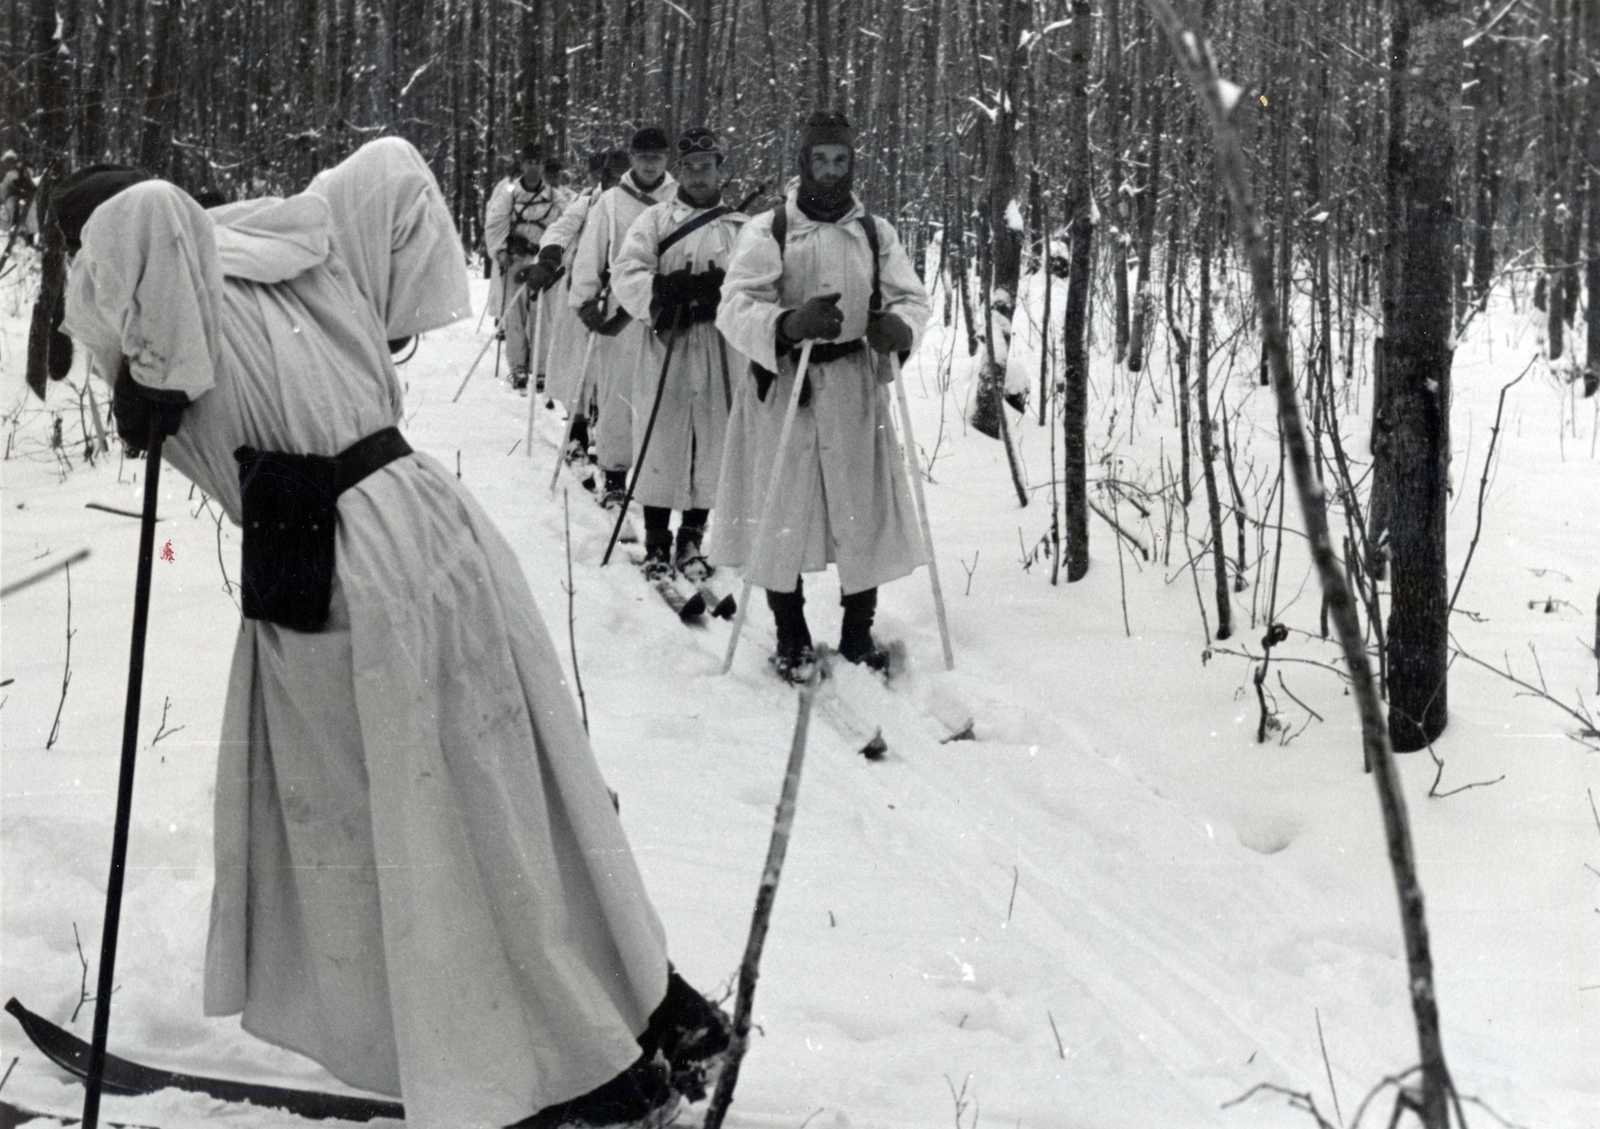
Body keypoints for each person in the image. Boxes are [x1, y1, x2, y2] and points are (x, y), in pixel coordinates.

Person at [54, 138, 727, 1129]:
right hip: (433, 524)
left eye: (82, 262)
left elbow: (140, 218)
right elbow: (388, 170)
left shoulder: (161, 278)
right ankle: (656, 1008)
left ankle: (584, 1072)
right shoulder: (281, 253)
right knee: (516, 790)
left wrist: (148, 360)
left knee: (426, 827)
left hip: (347, 571)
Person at [710, 112, 930, 682]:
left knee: (861, 511)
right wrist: (787, 323)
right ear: (802, 163)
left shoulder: (874, 232)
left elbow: (912, 297)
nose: (830, 171)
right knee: (784, 510)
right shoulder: (769, 229)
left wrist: (899, 330)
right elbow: (733, 306)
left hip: (854, 384)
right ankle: (791, 634)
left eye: (840, 160)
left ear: (852, 162)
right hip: (787, 387)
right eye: (820, 160)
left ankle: (858, 632)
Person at [609, 128, 745, 581]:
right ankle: (657, 542)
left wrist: (719, 297)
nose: (699, 174)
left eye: (708, 165)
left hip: (720, 347)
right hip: (667, 341)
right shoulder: (654, 221)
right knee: (661, 436)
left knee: (712, 441)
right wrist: (662, 294)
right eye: (691, 167)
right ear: (679, 170)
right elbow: (627, 271)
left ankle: (691, 538)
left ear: (718, 168)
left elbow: (757, 285)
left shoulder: (739, 227)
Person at [568, 128, 678, 511]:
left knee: (662, 396)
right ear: (631, 159)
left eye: (657, 157)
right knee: (618, 393)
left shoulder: (679, 199)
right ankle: (613, 476)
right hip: (622, 308)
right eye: (643, 157)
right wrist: (585, 301)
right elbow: (591, 250)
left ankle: (656, 479)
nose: (650, 164)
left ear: (667, 159)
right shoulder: (612, 202)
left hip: (668, 309)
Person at [527, 149, 630, 475]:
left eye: (621, 177)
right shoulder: (587, 203)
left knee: (611, 369)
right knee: (578, 368)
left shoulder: (639, 207)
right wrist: (549, 257)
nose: (616, 183)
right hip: (582, 294)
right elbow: (560, 229)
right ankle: (577, 433)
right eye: (611, 177)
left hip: (620, 300)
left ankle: (608, 436)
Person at [484, 140, 573, 391]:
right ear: (522, 164)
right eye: (529, 162)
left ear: (543, 166)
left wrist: (557, 256)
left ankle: (542, 368)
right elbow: (494, 227)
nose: (533, 167)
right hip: (516, 262)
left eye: (537, 162)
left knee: (543, 316)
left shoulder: (556, 198)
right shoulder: (508, 197)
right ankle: (518, 368)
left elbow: (567, 227)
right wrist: (501, 251)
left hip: (544, 263)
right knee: (515, 315)